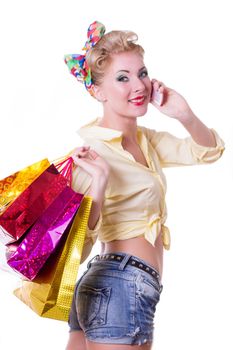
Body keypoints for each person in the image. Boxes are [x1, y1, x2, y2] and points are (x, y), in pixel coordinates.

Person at [64, 21, 225, 350]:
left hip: (116, 285)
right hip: (120, 286)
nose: (138, 85)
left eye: (142, 73)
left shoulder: (145, 141)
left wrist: (183, 114)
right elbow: (76, 246)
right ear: (97, 91)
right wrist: (99, 184)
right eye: (122, 78)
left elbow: (207, 151)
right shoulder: (92, 154)